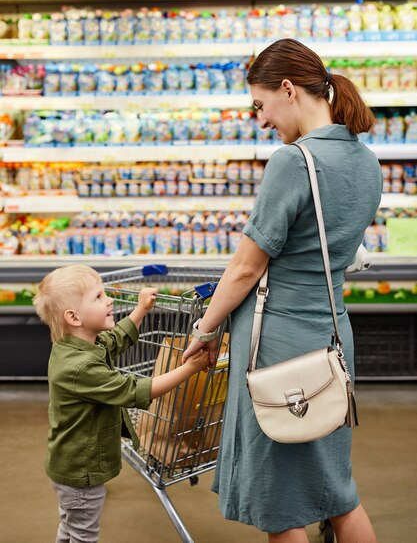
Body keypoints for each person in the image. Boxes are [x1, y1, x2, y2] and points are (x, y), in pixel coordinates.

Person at [183, 38, 382, 543]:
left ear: (288, 89)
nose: (261, 118)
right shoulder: (366, 161)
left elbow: (247, 270)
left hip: (277, 349)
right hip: (332, 340)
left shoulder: (293, 161)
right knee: (336, 492)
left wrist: (205, 328)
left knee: (283, 505)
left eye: (260, 103)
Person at [33, 264, 209, 543]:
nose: (110, 300)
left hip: (72, 464)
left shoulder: (76, 344)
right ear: (74, 317)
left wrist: (140, 311)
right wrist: (190, 368)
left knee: (70, 526)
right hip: (80, 470)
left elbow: (114, 340)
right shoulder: (79, 368)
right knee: (84, 535)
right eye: (99, 297)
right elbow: (137, 390)